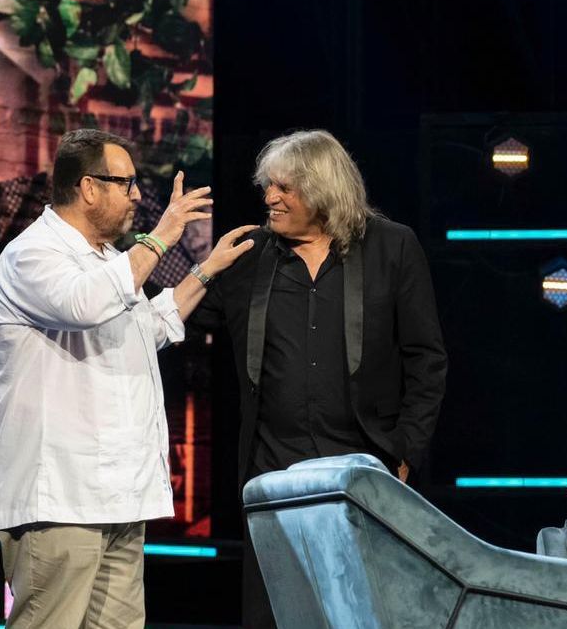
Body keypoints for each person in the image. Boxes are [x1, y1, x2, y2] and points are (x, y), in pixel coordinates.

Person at [0, 129, 258, 629]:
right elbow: (83, 305)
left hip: (118, 498)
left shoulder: (111, 261)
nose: (136, 196)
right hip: (59, 500)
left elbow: (146, 328)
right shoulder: (32, 255)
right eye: (125, 184)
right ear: (88, 188)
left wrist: (206, 269)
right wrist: (162, 236)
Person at [184, 129, 448, 629]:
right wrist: (165, 251)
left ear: (323, 191)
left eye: (284, 188)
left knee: (361, 613)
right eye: (268, 186)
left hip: (364, 472)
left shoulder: (392, 248)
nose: (269, 197)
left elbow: (426, 358)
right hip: (272, 474)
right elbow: (173, 320)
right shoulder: (247, 256)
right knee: (276, 614)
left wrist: (407, 451)